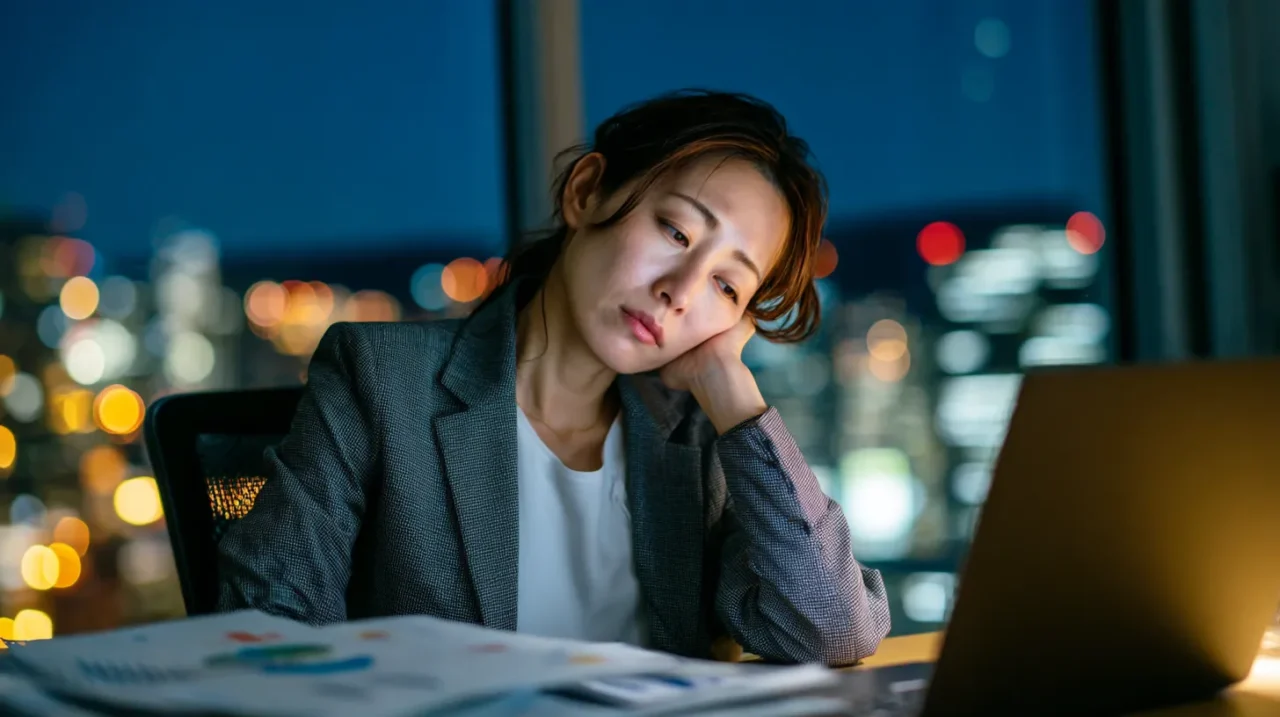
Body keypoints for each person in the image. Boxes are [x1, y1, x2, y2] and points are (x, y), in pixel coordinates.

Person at [216, 89, 891, 665]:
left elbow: (832, 626)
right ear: (587, 191)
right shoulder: (383, 379)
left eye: (727, 285)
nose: (681, 291)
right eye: (677, 232)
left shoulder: (702, 439)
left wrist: (728, 384)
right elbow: (271, 627)